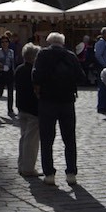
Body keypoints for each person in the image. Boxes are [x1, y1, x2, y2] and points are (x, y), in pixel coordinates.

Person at [32, 31, 85, 185]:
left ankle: (49, 174)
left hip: (47, 101)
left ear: (49, 42)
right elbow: (81, 77)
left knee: (47, 139)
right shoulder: (70, 56)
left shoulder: (42, 55)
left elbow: (35, 76)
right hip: (67, 101)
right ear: (62, 43)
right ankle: (71, 173)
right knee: (69, 139)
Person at [14, 42, 41, 177]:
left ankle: (21, 165)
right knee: (31, 140)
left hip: (21, 107)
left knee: (24, 137)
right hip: (33, 109)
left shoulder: (19, 69)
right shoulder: (35, 71)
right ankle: (28, 168)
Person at [0, 35, 16, 116]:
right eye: (2, 42)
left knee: (10, 93)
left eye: (6, 42)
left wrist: (13, 72)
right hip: (1, 73)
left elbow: (13, 63)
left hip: (10, 73)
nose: (4, 43)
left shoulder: (11, 52)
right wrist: (1, 67)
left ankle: (10, 109)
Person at [94, 27, 106, 115]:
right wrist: (104, 64)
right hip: (104, 68)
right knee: (103, 87)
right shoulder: (101, 43)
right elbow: (98, 55)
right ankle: (102, 107)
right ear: (104, 34)